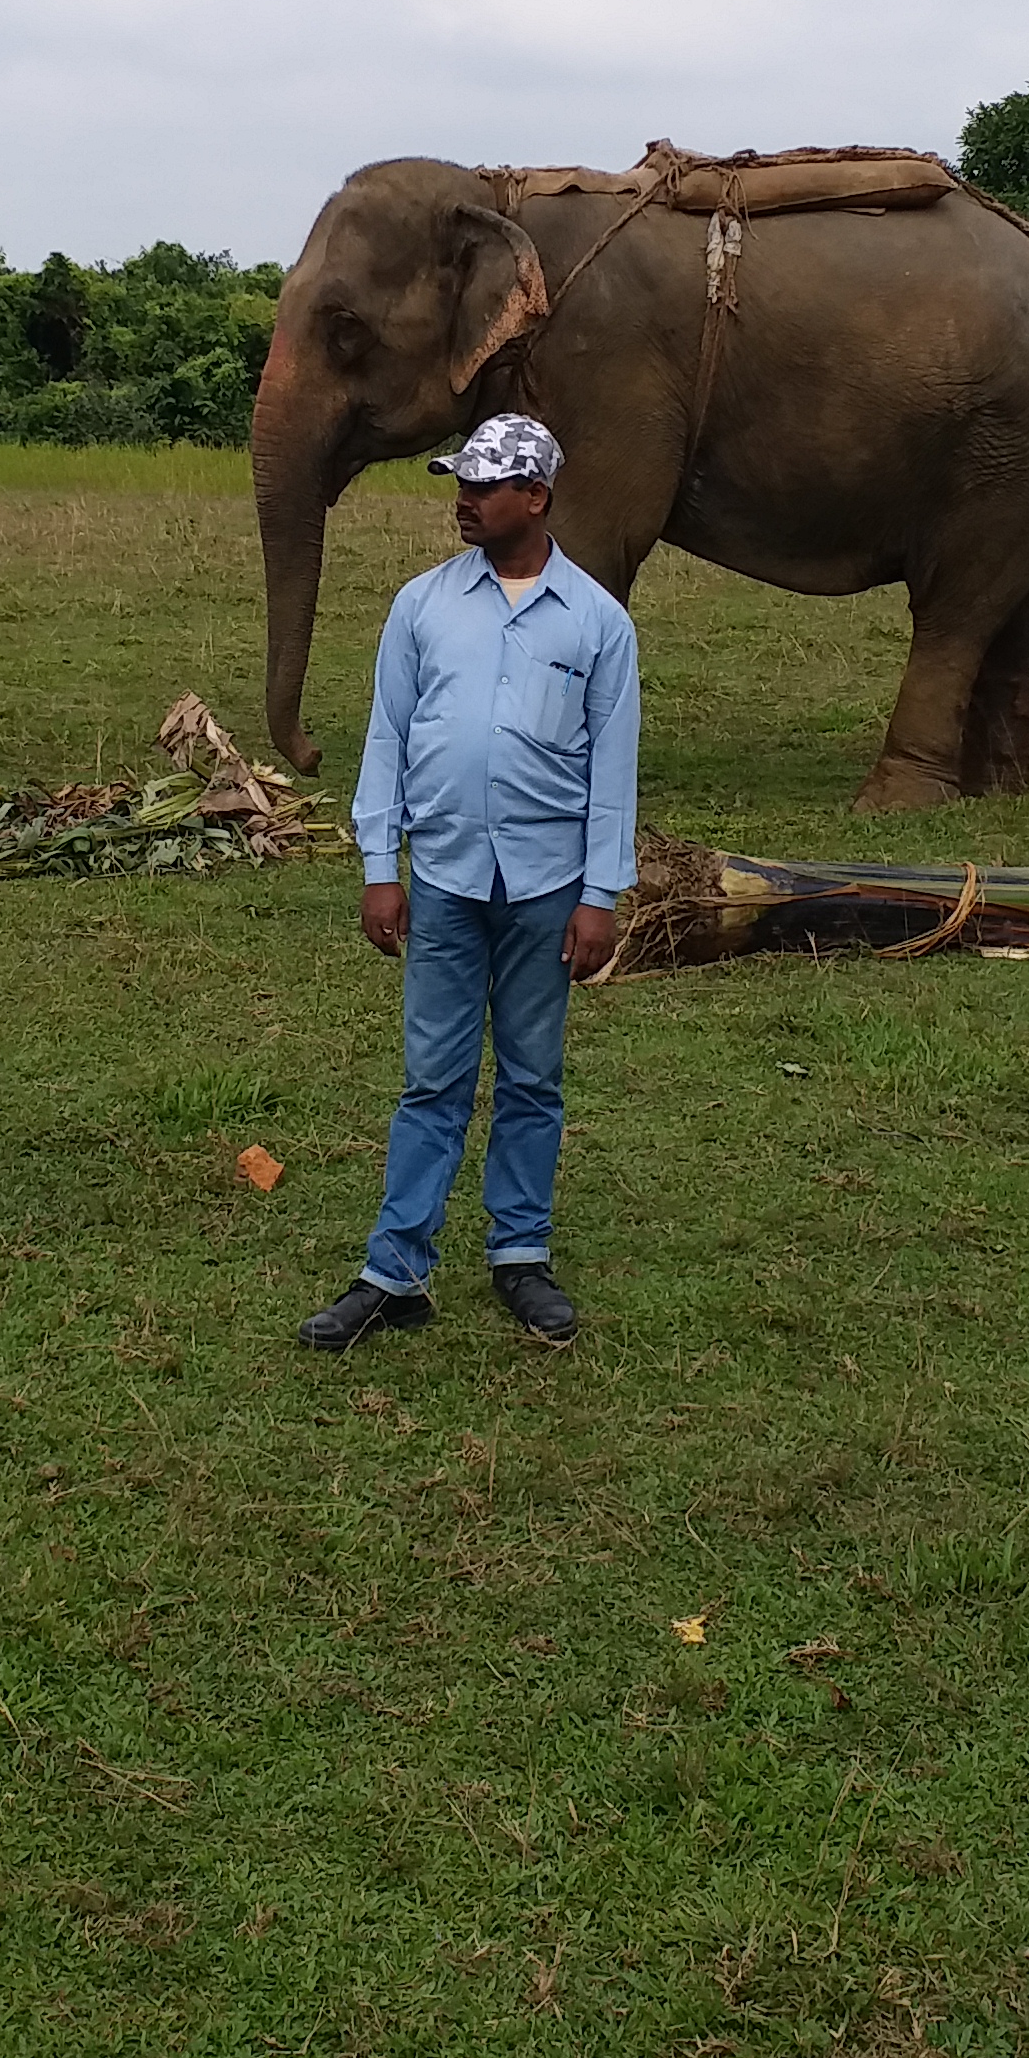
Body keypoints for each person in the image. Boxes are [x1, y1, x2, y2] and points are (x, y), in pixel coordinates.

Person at [299, 412, 638, 1354]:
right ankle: (396, 1269)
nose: (465, 499)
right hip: (443, 878)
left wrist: (600, 895)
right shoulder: (422, 606)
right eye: (461, 482)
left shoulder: (598, 623)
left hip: (546, 886)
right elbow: (387, 738)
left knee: (532, 1076)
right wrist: (380, 866)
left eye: (486, 486)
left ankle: (520, 1257)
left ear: (537, 497)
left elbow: (613, 771)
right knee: (431, 1080)